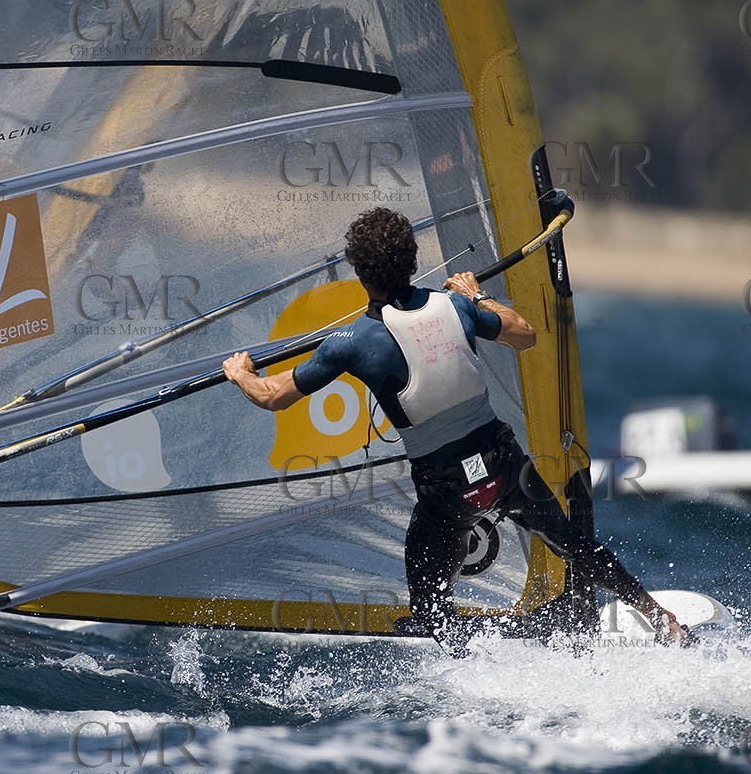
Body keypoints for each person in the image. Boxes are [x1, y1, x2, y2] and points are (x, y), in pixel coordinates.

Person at [221, 206, 686, 647]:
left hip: (444, 488)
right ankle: (658, 616)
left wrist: (241, 372)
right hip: (502, 462)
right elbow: (523, 333)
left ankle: (460, 660)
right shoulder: (456, 307)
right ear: (412, 260)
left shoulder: (351, 342)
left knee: (429, 613)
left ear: (360, 275)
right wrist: (476, 295)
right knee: (572, 544)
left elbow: (273, 396)